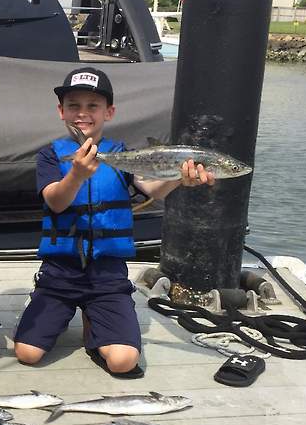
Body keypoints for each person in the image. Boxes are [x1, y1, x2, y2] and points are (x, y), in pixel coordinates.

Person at [13, 67, 214, 377]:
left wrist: (178, 179)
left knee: (123, 362)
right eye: (74, 105)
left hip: (107, 274)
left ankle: (97, 325)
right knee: (26, 353)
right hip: (60, 271)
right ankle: (44, 302)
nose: (83, 113)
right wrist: (77, 174)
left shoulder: (124, 154)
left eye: (92, 106)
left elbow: (152, 188)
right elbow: (55, 200)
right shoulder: (51, 156)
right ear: (61, 111)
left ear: (109, 112)